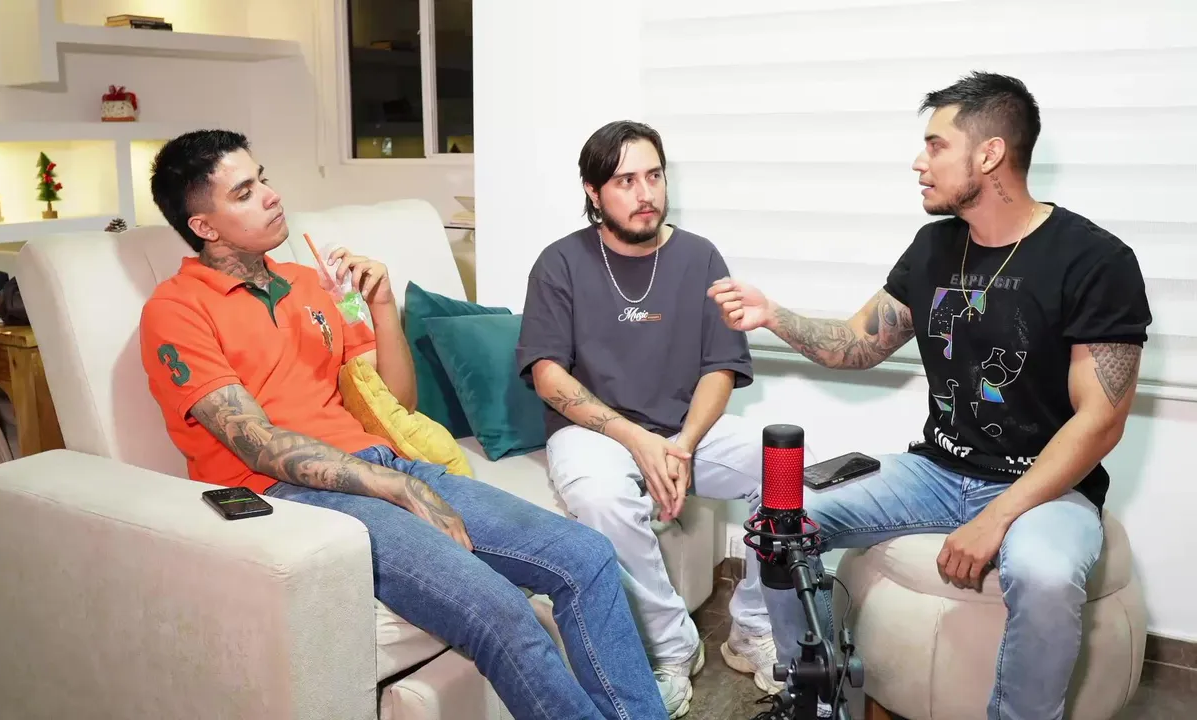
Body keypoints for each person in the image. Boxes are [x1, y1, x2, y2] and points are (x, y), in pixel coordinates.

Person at [137, 129, 669, 720]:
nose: (270, 194)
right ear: (204, 226)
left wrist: (383, 305)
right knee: (499, 610)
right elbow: (258, 446)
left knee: (586, 555)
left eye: (262, 178)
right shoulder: (175, 310)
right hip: (293, 498)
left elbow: (397, 401)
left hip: (384, 463)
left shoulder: (308, 283)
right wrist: (397, 487)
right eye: (244, 192)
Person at [710, 72, 1151, 720]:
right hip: (937, 471)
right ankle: (821, 699)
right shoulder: (935, 247)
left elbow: (1101, 422)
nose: (920, 162)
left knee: (1046, 575)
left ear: (990, 154)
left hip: (1046, 488)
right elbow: (857, 344)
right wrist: (773, 314)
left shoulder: (1094, 261)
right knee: (782, 519)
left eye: (936, 145)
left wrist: (996, 519)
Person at [516, 120, 779, 718]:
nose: (646, 194)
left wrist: (682, 444)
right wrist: (637, 441)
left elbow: (721, 367)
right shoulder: (560, 263)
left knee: (787, 467)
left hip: (683, 429)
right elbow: (548, 376)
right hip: (595, 434)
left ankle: (752, 628)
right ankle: (671, 648)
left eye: (654, 176)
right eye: (625, 181)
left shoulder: (699, 256)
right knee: (602, 498)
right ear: (593, 191)